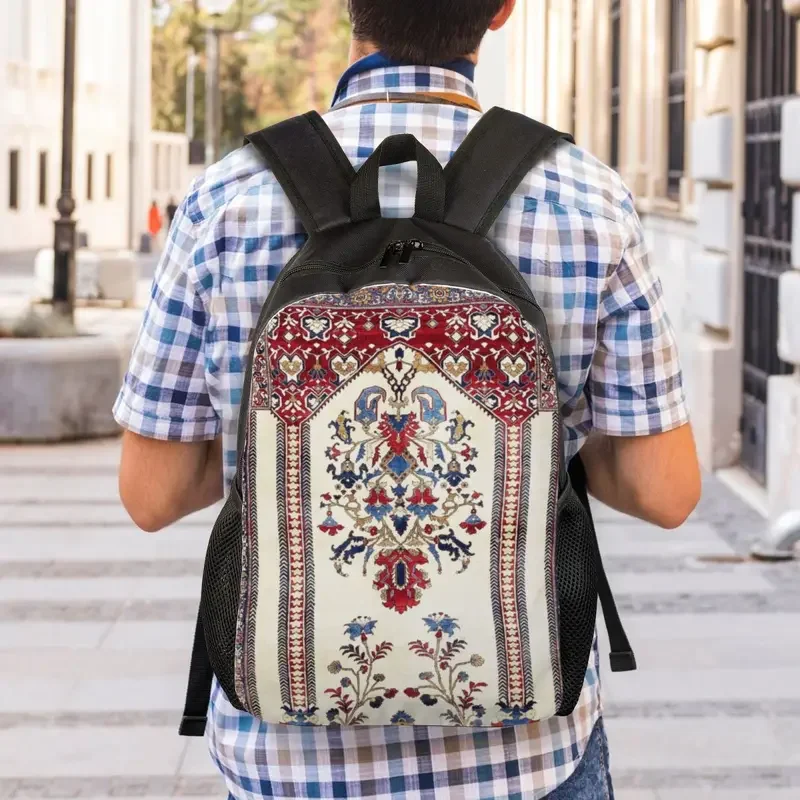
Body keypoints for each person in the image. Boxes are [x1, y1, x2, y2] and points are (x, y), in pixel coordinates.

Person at [114, 1, 702, 797]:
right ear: (501, 11)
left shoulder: (226, 198)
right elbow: (664, 491)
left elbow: (152, 494)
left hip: (288, 758)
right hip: (525, 755)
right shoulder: (586, 196)